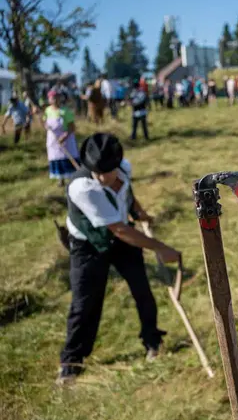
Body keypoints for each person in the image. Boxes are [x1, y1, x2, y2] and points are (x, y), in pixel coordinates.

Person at [57, 133, 180, 386]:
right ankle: (71, 362)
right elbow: (120, 230)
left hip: (122, 240)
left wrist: (139, 212)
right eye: (96, 171)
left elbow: (127, 194)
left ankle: (153, 341)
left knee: (142, 290)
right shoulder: (83, 188)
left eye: (107, 171)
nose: (102, 177)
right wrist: (160, 247)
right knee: (85, 303)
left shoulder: (124, 168)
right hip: (89, 245)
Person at [40, 90, 80, 186]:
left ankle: (72, 180)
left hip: (66, 139)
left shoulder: (65, 111)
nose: (56, 100)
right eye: (53, 98)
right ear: (49, 99)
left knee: (67, 159)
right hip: (53, 140)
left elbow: (72, 127)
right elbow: (44, 123)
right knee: (56, 158)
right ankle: (60, 180)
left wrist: (64, 136)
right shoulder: (47, 110)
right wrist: (42, 122)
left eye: (57, 98)